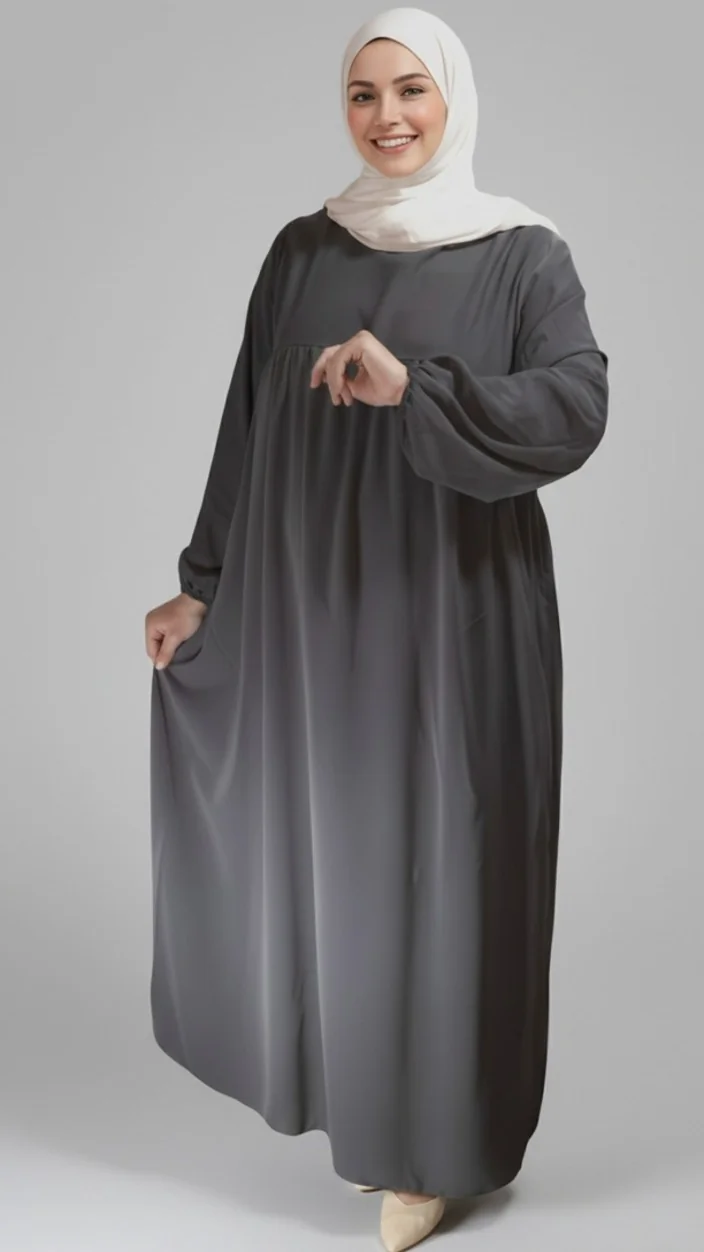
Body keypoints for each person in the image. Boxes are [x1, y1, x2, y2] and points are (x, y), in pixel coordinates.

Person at [145, 8, 608, 1251]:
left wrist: (419, 389)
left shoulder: (522, 253)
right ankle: (371, 1115)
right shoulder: (302, 251)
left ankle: (435, 1148)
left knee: (445, 862)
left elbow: (575, 403)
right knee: (344, 857)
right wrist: (202, 583)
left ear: (452, 98)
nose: (387, 116)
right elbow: (247, 426)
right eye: (362, 94)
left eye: (410, 89)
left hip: (457, 614)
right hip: (317, 613)